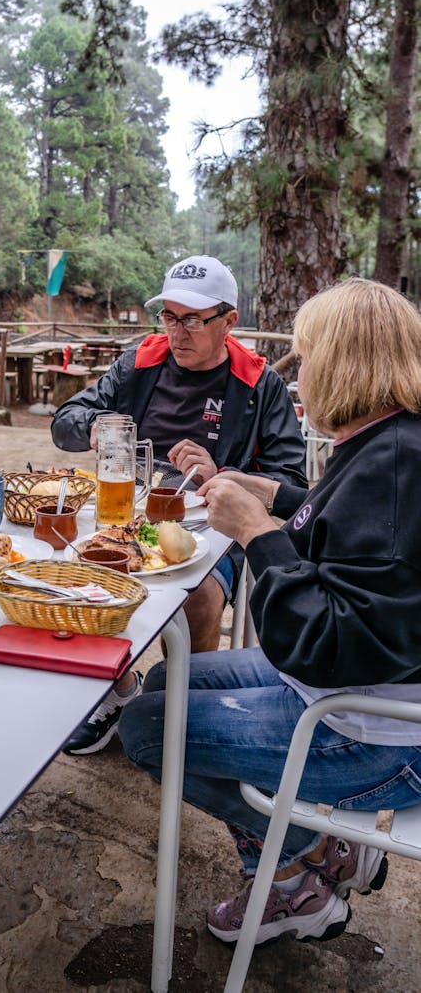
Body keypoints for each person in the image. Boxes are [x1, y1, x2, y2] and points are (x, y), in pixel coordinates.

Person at [118, 277, 421, 947]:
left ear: (346, 363)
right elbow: (346, 532)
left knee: (142, 727)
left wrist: (257, 533)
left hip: (378, 730)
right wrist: (278, 496)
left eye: (308, 358)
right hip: (362, 688)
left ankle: (296, 872)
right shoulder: (390, 443)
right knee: (165, 681)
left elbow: (327, 640)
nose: (298, 377)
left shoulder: (396, 466)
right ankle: (320, 850)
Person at [51, 255, 307, 754]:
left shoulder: (259, 383)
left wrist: (225, 475)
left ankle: (180, 702)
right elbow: (66, 420)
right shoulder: (140, 362)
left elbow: (291, 483)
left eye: (191, 319)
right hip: (127, 509)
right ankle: (117, 690)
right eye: (168, 316)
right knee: (74, 567)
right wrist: (99, 429)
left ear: (229, 321)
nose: (176, 332)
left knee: (199, 596)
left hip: (217, 524)